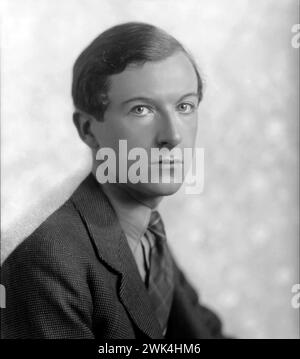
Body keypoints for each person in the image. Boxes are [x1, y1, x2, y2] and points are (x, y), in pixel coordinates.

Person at [1, 22, 227, 339]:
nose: (172, 136)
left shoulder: (149, 237)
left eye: (184, 106)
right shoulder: (48, 261)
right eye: (142, 109)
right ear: (88, 130)